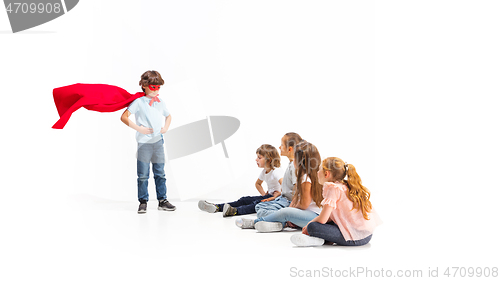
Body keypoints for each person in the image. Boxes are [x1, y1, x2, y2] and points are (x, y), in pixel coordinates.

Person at [290, 157, 382, 247]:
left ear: (326, 174)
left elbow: (322, 219)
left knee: (313, 227)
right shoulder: (344, 185)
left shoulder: (333, 188)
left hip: (355, 238)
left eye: (319, 170)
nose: (317, 173)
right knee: (323, 224)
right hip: (367, 235)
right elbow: (330, 217)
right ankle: (323, 239)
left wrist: (308, 224)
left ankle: (317, 240)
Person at [120, 70, 176, 214]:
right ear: (144, 86)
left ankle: (162, 200)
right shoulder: (138, 102)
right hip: (144, 144)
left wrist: (165, 128)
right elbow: (124, 117)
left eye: (158, 87)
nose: (156, 90)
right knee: (143, 175)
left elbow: (168, 116)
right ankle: (143, 202)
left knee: (160, 173)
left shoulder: (160, 102)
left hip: (158, 142)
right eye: (153, 87)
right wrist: (139, 128)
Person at [236, 141, 323, 232]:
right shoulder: (306, 176)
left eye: (295, 158)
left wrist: (290, 209)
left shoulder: (305, 178)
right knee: (283, 211)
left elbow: (304, 205)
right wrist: (292, 206)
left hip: (313, 217)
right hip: (308, 214)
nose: (293, 160)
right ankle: (279, 223)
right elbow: (297, 198)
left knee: (285, 212)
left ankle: (255, 223)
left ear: (301, 161)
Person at [198, 144, 283, 217]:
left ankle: (234, 211)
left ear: (269, 160)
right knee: (244, 200)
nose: (256, 159)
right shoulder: (264, 172)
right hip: (269, 197)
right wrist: (264, 194)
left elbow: (284, 185)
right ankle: (217, 207)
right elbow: (258, 184)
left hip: (276, 200)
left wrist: (278, 195)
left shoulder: (276, 171)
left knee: (256, 204)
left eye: (259, 157)